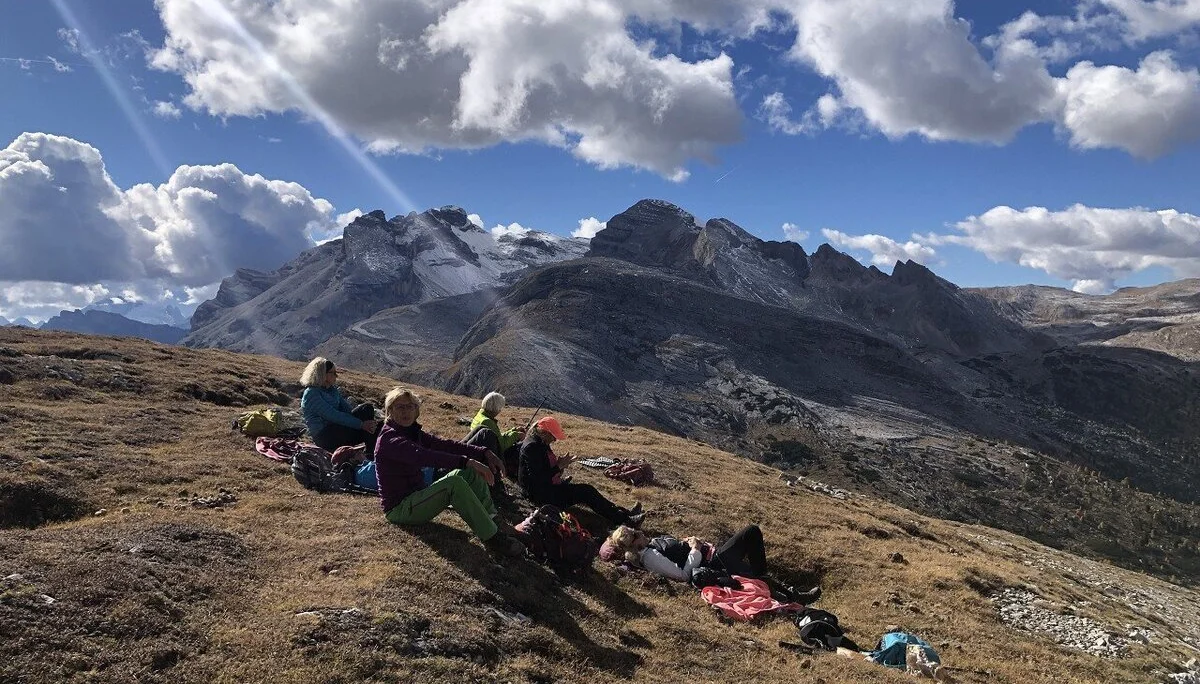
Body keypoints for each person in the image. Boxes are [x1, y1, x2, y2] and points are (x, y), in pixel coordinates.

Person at [374, 386, 524, 557]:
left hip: (417, 497)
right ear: (390, 411)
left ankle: (493, 520)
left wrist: (484, 452)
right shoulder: (390, 439)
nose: (406, 411)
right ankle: (494, 539)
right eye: (400, 407)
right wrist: (467, 461)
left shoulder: (411, 432)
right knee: (454, 483)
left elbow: (444, 445)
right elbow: (423, 456)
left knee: (469, 474)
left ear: (416, 410)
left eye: (410, 406)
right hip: (400, 509)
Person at [601, 524, 821, 603]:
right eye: (635, 533)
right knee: (751, 532)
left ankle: (787, 593)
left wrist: (688, 543)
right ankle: (790, 595)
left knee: (752, 555)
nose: (640, 531)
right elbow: (682, 574)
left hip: (711, 555)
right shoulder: (650, 557)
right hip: (712, 563)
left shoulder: (650, 546)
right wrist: (695, 549)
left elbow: (675, 551)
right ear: (634, 544)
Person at [517, 416, 644, 527]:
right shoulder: (532, 447)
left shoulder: (539, 442)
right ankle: (625, 520)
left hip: (546, 488)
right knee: (586, 492)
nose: (554, 440)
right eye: (553, 436)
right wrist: (558, 467)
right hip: (540, 495)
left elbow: (542, 471)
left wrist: (558, 466)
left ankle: (625, 514)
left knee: (587, 490)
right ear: (544, 433)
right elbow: (538, 478)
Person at [300, 357, 379, 453]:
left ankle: (372, 452)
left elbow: (348, 410)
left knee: (368, 411)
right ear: (322, 374)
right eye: (333, 373)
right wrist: (361, 424)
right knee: (367, 422)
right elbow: (333, 415)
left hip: (337, 428)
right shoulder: (311, 393)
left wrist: (365, 423)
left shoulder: (332, 390)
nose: (336, 376)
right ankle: (370, 453)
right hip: (324, 436)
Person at [464, 392, 526, 481]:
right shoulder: (487, 422)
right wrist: (517, 435)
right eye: (499, 408)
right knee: (520, 448)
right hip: (491, 456)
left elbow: (497, 437)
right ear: (495, 408)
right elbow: (502, 445)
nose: (500, 411)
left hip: (481, 452)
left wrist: (513, 430)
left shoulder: (480, 416)